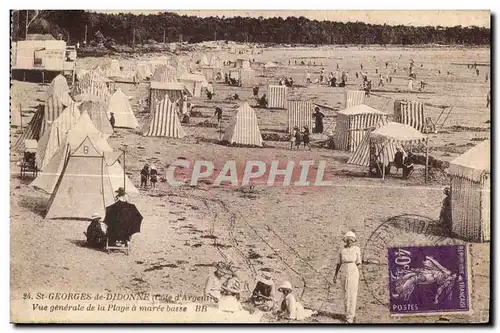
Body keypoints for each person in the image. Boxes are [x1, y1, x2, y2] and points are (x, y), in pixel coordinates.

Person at [333, 231, 361, 324]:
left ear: (354, 241)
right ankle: (346, 314)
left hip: (353, 270)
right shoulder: (342, 250)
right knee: (345, 292)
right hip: (344, 269)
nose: (349, 242)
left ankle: (351, 316)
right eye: (348, 240)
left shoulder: (356, 249)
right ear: (345, 240)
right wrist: (335, 275)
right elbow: (338, 263)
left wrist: (359, 273)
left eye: (351, 240)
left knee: (352, 292)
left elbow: (358, 262)